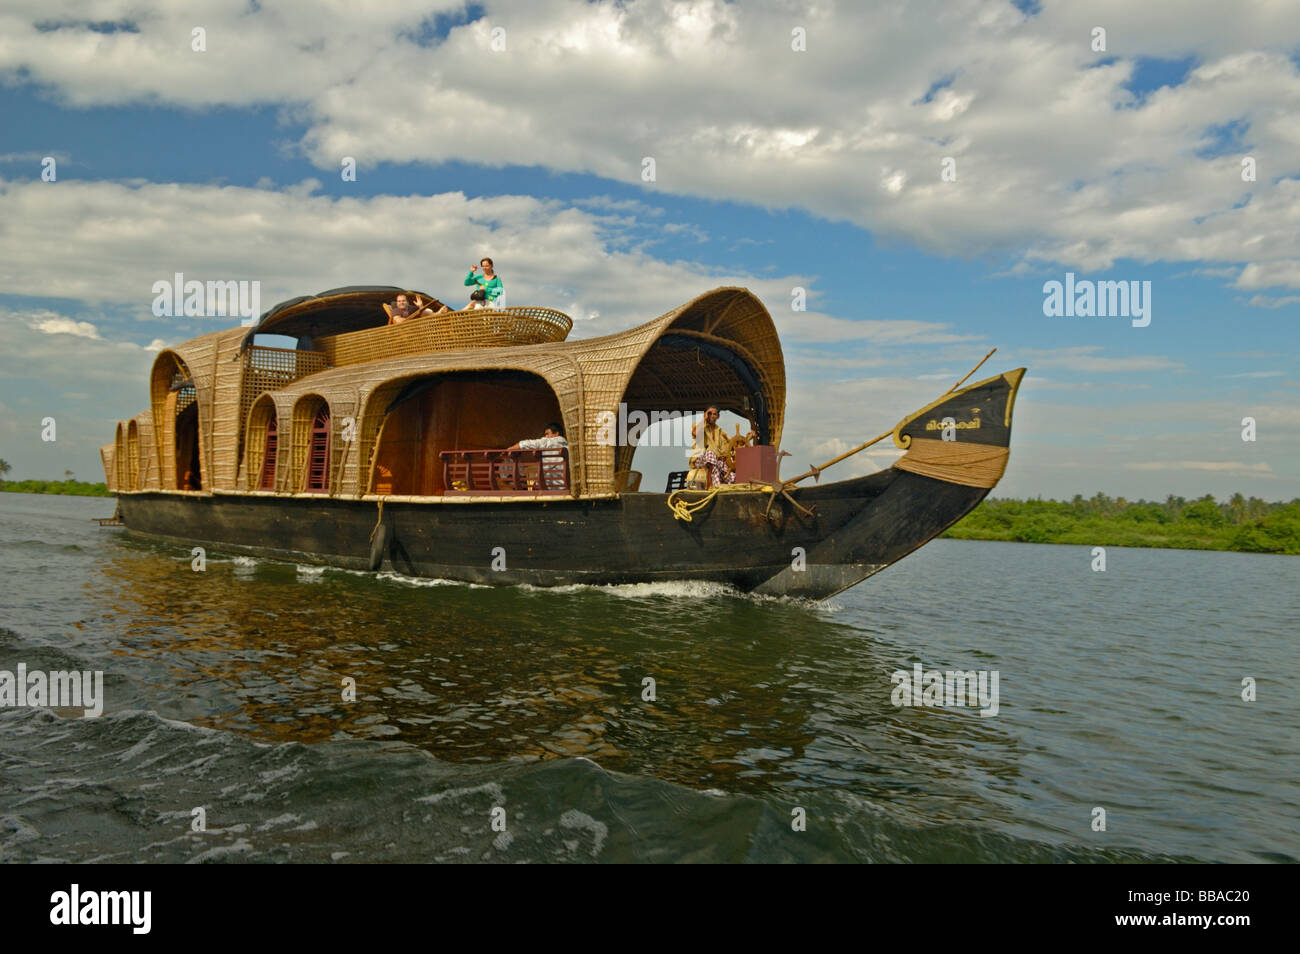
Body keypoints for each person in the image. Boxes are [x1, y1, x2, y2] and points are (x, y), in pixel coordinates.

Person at [688, 405, 754, 488]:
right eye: (709, 413)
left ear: (718, 416)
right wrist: (704, 419)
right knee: (710, 454)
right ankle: (712, 487)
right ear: (705, 414)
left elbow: (732, 444)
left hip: (716, 461)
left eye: (714, 414)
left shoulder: (720, 431)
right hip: (700, 459)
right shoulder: (699, 425)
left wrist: (747, 438)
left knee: (733, 477)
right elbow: (695, 433)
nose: (712, 416)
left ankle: (728, 488)